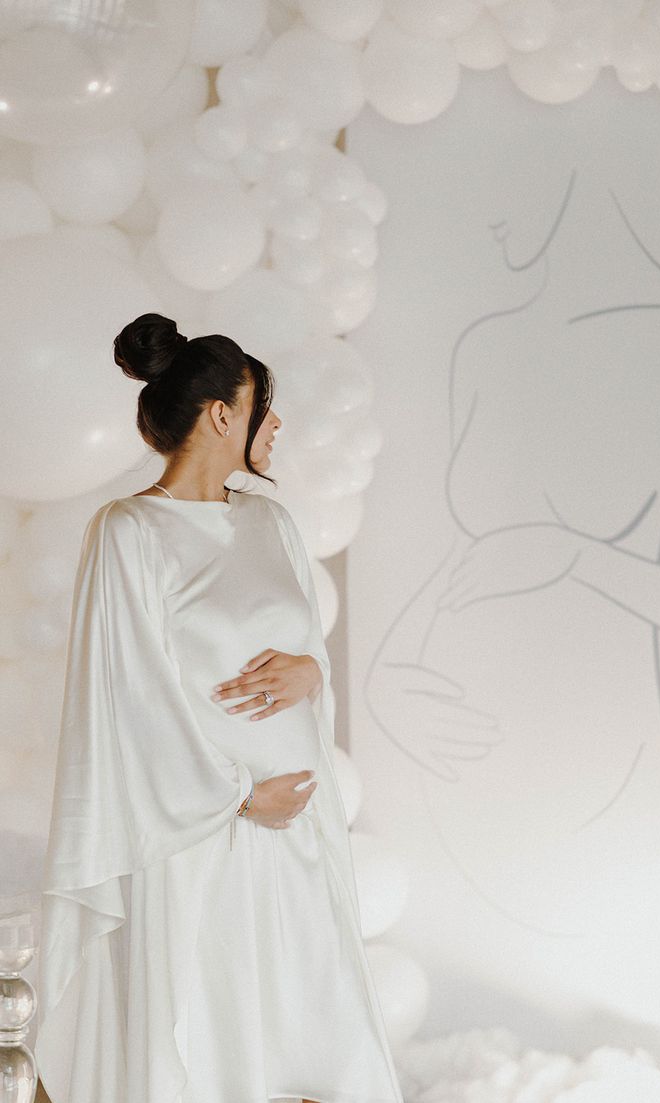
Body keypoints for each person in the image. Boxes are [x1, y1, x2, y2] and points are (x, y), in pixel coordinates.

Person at [35, 313, 405, 1103]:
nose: (276, 425)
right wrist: (239, 795)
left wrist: (311, 670)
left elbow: (305, 653)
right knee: (213, 1034)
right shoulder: (129, 532)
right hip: (199, 836)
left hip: (295, 838)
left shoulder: (270, 521)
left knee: (309, 1030)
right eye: (263, 406)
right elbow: (128, 697)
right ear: (221, 414)